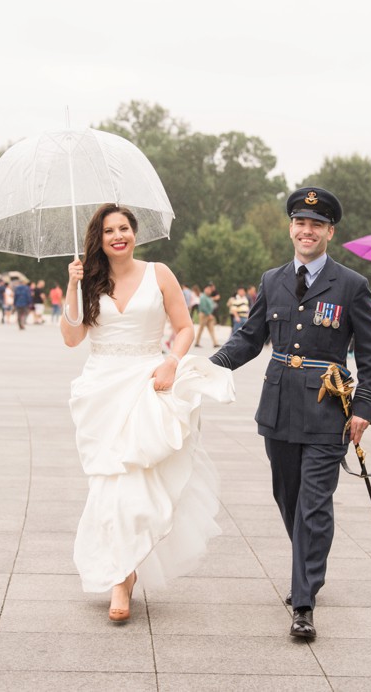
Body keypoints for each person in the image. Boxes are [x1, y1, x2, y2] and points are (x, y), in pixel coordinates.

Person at [210, 186, 371, 641]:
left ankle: (303, 600)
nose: (306, 231)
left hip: (329, 409)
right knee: (287, 498)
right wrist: (205, 367)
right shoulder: (272, 280)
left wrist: (363, 408)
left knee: (313, 504)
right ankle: (309, 565)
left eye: (316, 224)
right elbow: (249, 339)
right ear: (291, 227)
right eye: (299, 223)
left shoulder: (351, 285)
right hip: (279, 406)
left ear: (330, 231)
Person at [61, 203, 234, 623]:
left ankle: (123, 578)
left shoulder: (159, 273)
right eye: (109, 231)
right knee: (106, 485)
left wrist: (172, 360)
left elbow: (185, 327)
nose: (118, 235)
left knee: (135, 483)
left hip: (146, 381)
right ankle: (120, 570)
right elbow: (71, 337)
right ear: (98, 239)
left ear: (134, 233)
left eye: (124, 228)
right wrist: (72, 286)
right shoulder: (88, 278)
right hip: (101, 389)